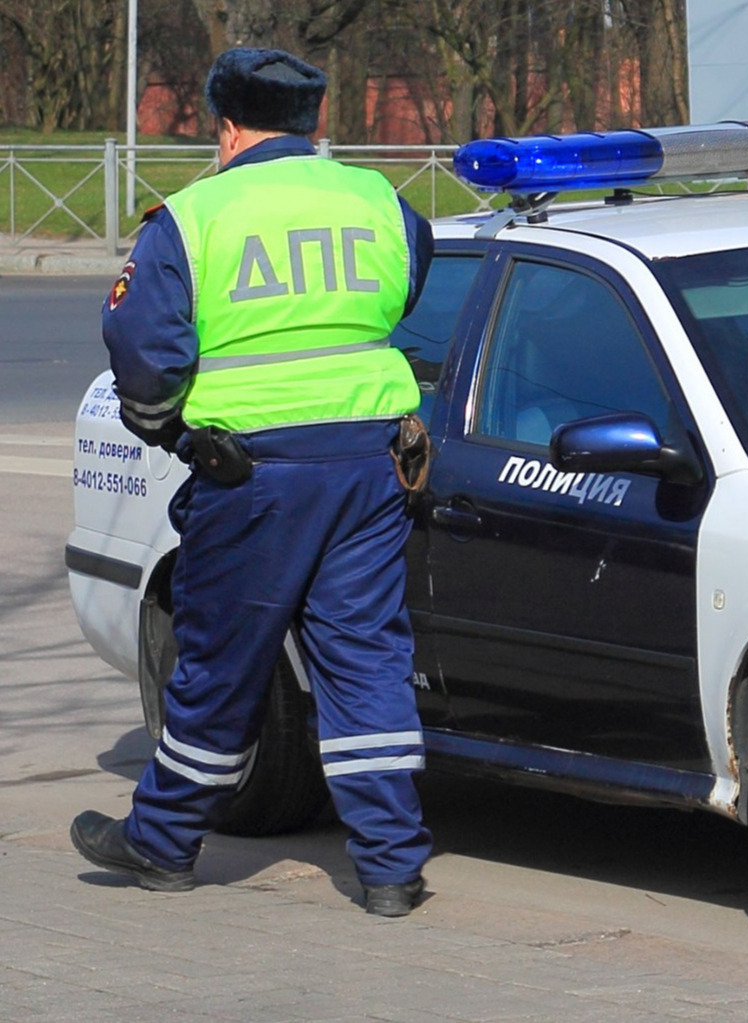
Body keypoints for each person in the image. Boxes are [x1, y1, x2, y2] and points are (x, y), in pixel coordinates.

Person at [70, 47, 435, 918]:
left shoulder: (192, 217)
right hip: (368, 465)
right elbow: (406, 290)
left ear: (226, 126)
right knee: (365, 659)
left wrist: (168, 428)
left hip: (253, 474)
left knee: (219, 661)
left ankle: (161, 843)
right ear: (312, 124)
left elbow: (143, 354)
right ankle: (389, 868)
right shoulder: (379, 199)